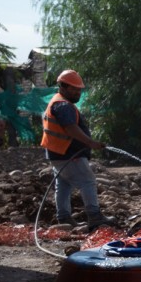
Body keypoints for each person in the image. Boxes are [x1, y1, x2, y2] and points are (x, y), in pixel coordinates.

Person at [40, 68, 110, 227]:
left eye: (79, 90)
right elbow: (70, 128)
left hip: (57, 153)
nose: (78, 93)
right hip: (69, 154)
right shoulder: (63, 105)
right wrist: (91, 143)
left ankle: (63, 217)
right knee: (88, 181)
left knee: (64, 184)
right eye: (74, 89)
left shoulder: (57, 102)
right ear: (63, 87)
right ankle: (95, 216)